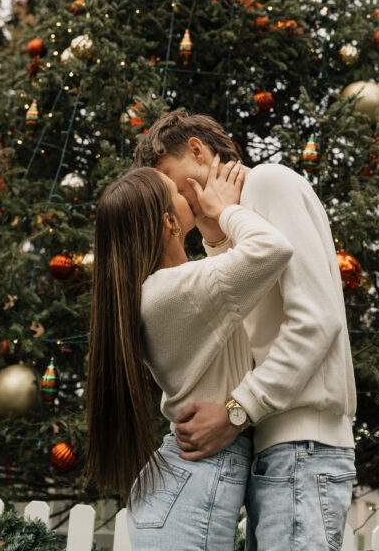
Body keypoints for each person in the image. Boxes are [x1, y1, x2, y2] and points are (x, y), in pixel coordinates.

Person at [134, 110, 357, 551]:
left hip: (304, 446)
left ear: (197, 150)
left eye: (171, 181)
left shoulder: (268, 183)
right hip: (277, 448)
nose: (175, 202)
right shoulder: (231, 220)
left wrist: (237, 412)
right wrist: (218, 235)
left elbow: (317, 319)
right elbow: (242, 329)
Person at [85, 159, 293, 550]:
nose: (189, 193)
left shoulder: (161, 292)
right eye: (178, 192)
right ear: (170, 222)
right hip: (192, 483)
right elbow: (272, 249)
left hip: (183, 481)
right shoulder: (176, 291)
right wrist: (226, 211)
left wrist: (215, 233)